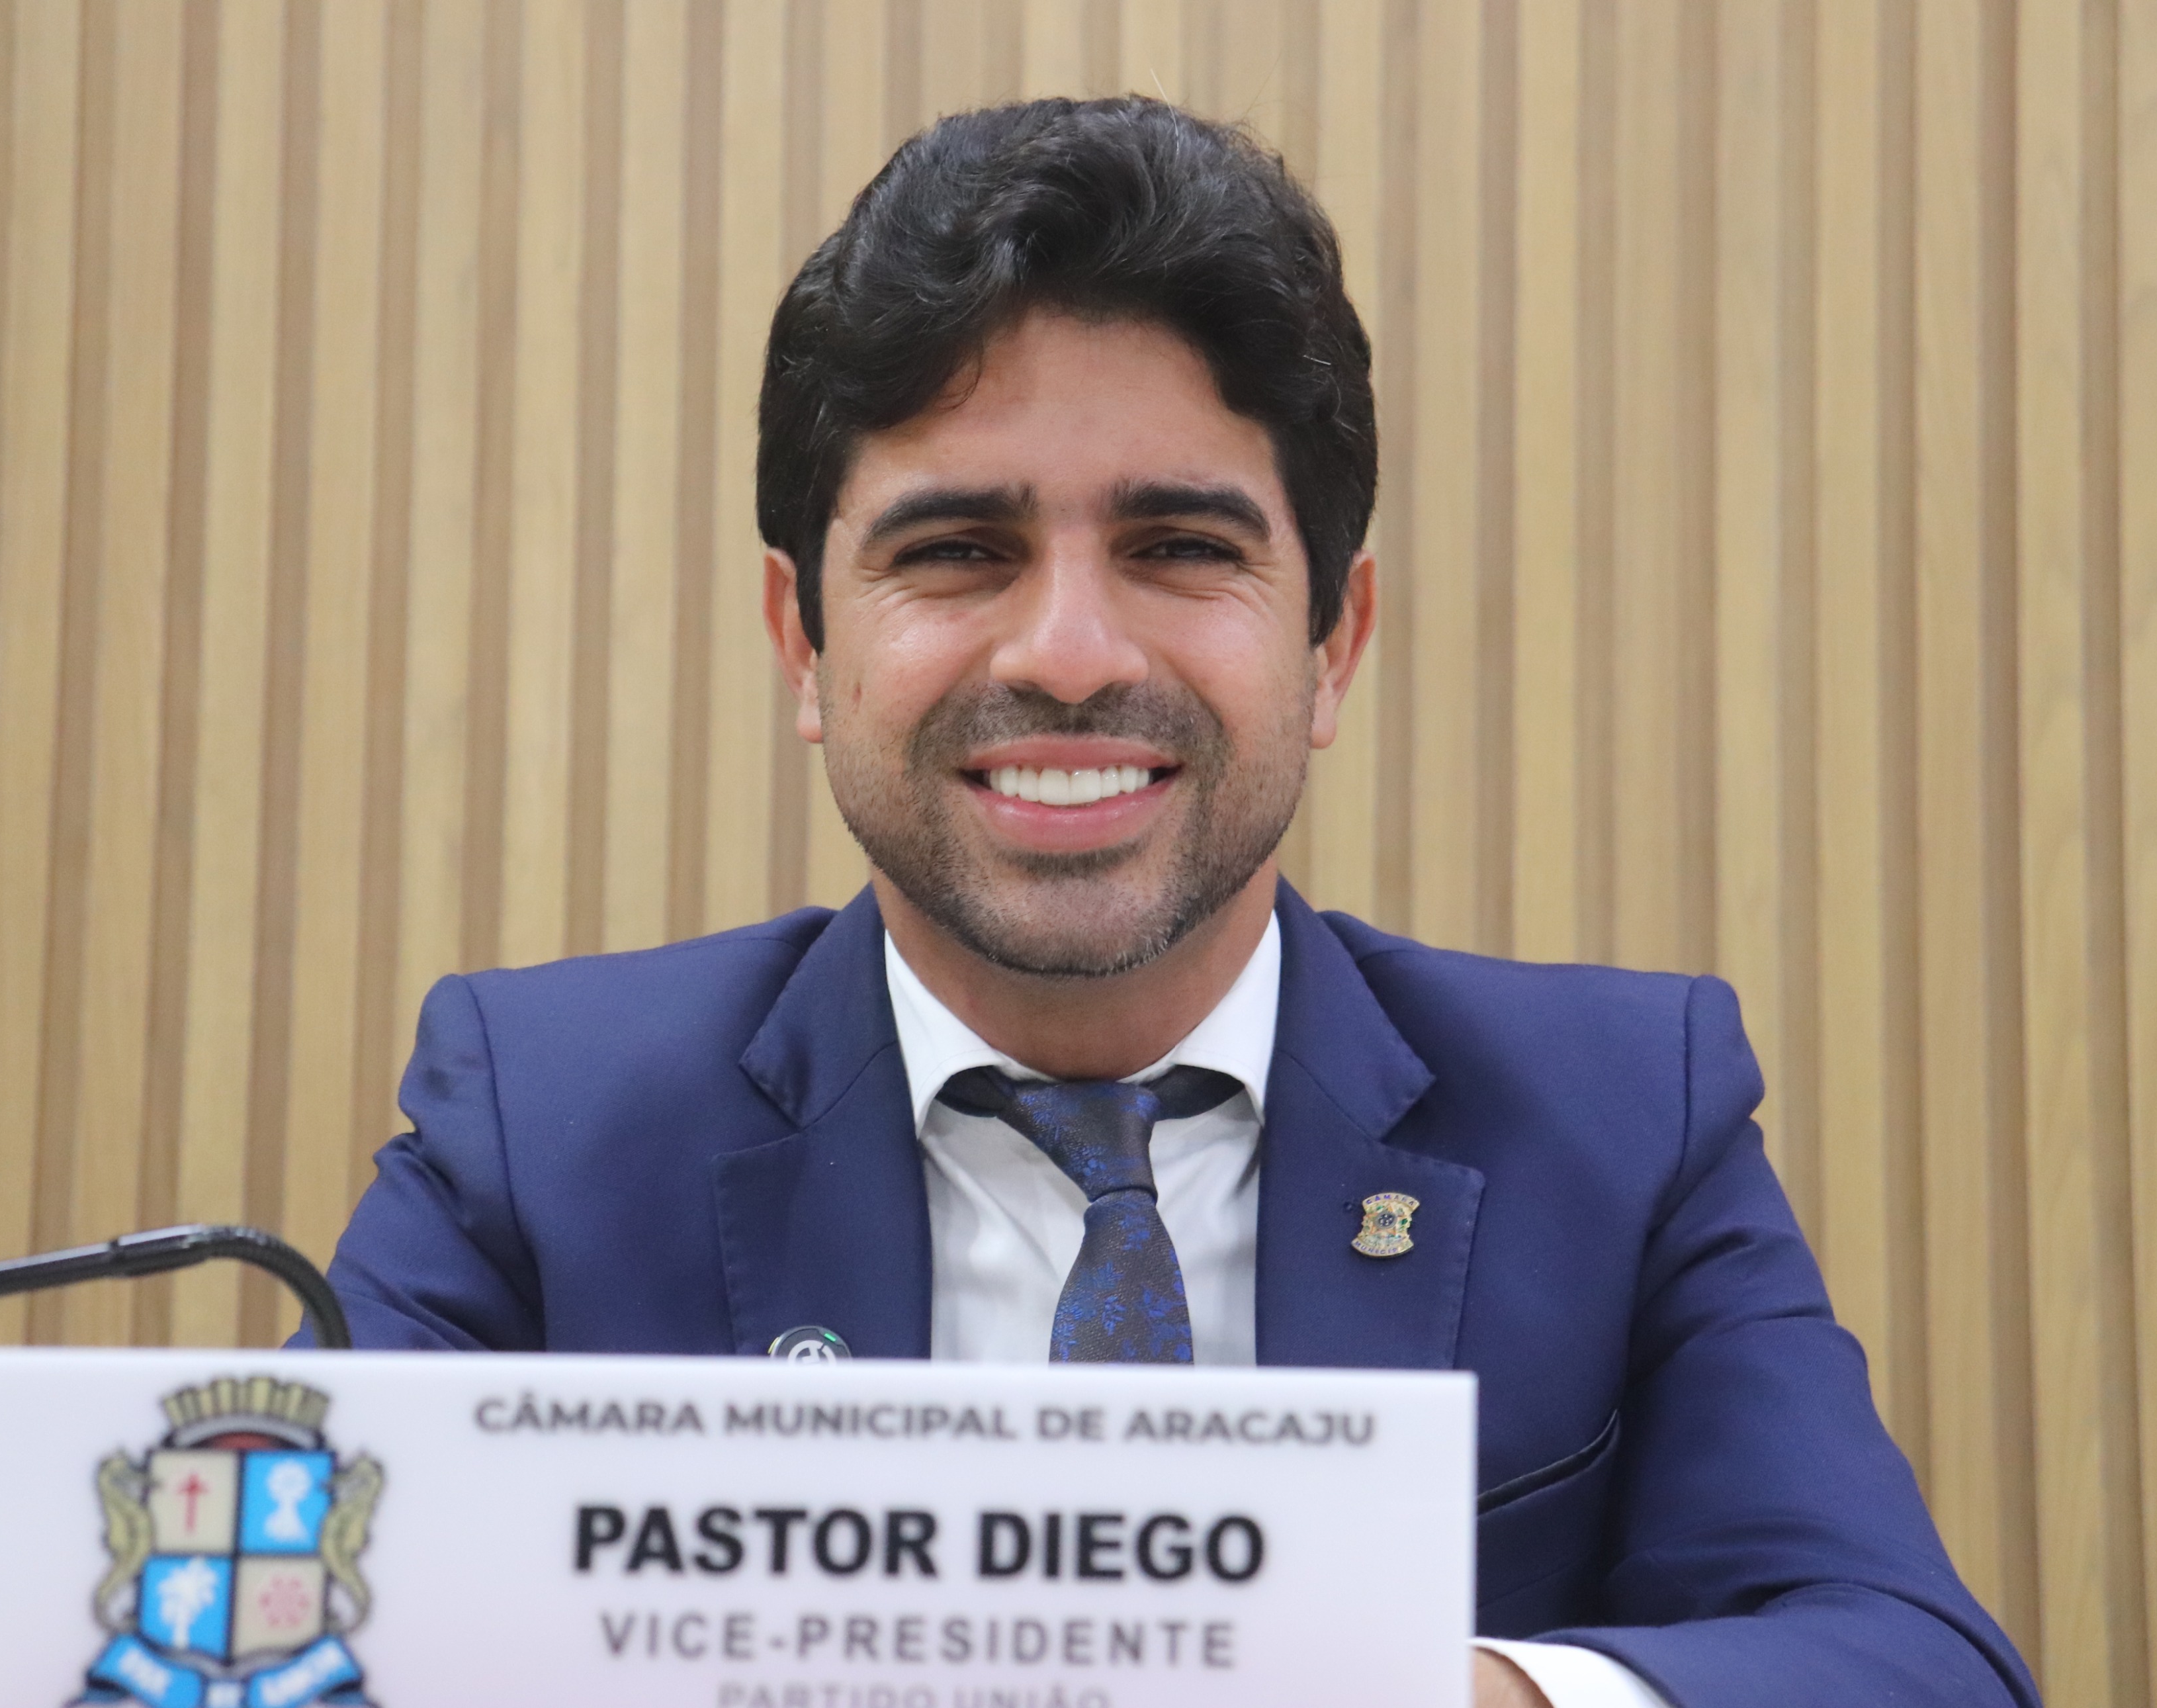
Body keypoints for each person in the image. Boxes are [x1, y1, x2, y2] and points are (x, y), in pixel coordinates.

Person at [304, 99, 2037, 1708]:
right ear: (804, 647)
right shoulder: (536, 1128)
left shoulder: (1624, 1114)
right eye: (957, 551)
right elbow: (290, 1647)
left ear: (1332, 643)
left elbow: (1912, 1666)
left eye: (1182, 550)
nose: (1070, 654)